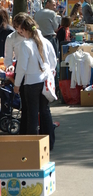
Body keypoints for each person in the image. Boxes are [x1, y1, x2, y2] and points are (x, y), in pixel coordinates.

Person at [13, 16, 57, 151]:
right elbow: (53, 61)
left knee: (32, 114)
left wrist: (17, 84)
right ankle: (49, 143)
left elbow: (22, 67)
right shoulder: (46, 42)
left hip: (31, 82)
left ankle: (32, 146)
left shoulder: (25, 44)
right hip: (45, 80)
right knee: (45, 111)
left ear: (25, 30)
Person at [4, 12, 29, 134]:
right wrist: (9, 66)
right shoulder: (11, 38)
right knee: (24, 101)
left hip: (34, 69)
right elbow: (8, 58)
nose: (20, 31)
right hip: (20, 68)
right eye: (18, 28)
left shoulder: (33, 35)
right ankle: (26, 130)